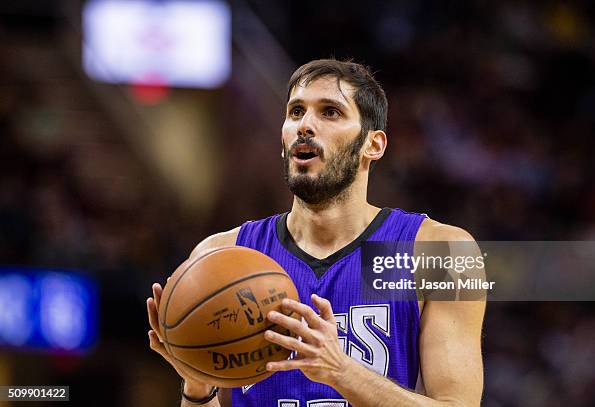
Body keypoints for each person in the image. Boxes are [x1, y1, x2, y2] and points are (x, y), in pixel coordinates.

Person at [146, 59, 485, 406]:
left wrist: (341, 372)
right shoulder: (220, 254)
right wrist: (198, 385)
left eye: (330, 112)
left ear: (374, 145)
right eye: (295, 112)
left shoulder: (440, 252)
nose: (305, 125)